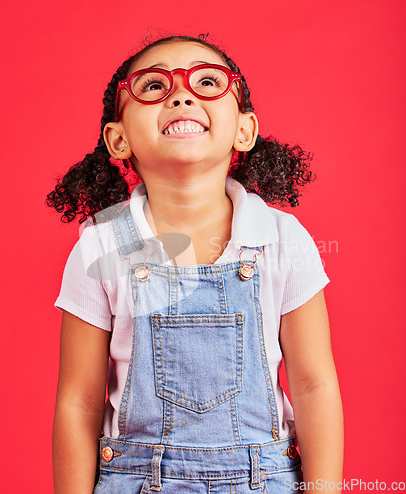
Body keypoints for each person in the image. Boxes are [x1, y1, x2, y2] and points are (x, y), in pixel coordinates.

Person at [48, 34, 343, 493]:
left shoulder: (282, 239)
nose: (182, 94)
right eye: (152, 87)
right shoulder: (102, 245)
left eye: (208, 82)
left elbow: (313, 387)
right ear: (118, 138)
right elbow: (78, 403)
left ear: (244, 130)